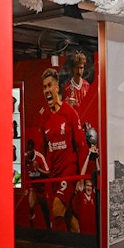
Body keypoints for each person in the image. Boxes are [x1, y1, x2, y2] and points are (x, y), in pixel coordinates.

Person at [39, 67, 87, 232]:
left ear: (57, 87)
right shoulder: (44, 118)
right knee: (68, 215)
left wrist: (81, 176)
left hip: (69, 171)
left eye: (49, 85)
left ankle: (59, 245)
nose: (47, 90)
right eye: (44, 87)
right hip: (54, 175)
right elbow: (44, 148)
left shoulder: (69, 113)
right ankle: (78, 242)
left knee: (57, 210)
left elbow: (81, 145)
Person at [24, 139, 51, 229]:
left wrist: (38, 168)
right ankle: (31, 226)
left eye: (30, 150)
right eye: (27, 150)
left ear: (33, 149)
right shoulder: (25, 158)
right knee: (31, 205)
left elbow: (48, 174)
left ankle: (49, 229)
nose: (28, 152)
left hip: (42, 188)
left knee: (46, 211)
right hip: (33, 187)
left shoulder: (40, 157)